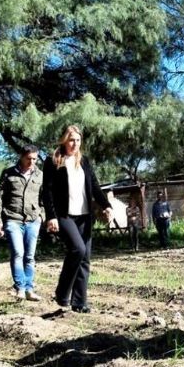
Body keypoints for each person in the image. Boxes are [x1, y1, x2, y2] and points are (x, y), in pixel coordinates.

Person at [43, 125, 112, 313]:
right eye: (71, 140)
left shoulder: (84, 161)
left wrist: (106, 205)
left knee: (85, 258)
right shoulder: (53, 161)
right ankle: (62, 293)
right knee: (77, 249)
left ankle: (79, 303)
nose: (75, 144)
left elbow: (95, 186)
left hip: (84, 215)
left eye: (78, 140)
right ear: (64, 140)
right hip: (64, 215)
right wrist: (51, 216)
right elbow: (47, 191)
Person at [0, 144, 44, 301]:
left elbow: (45, 198)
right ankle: (20, 287)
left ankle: (29, 289)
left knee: (29, 256)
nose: (32, 162)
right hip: (12, 219)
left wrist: (42, 216)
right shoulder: (8, 173)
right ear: (21, 157)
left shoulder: (40, 175)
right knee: (17, 253)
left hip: (33, 220)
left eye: (35, 159)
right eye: (29, 158)